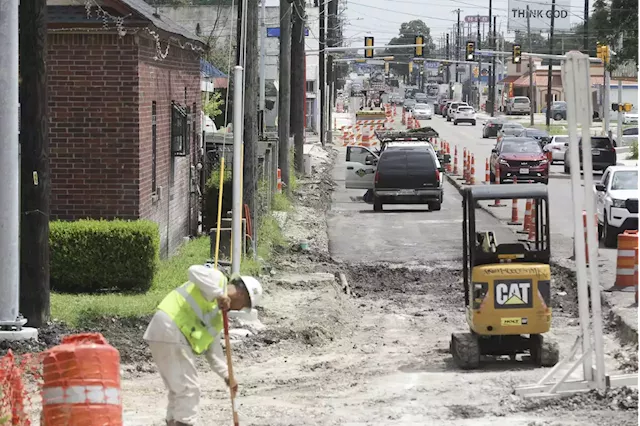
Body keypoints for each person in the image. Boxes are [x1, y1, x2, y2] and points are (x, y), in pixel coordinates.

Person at [144, 265, 263, 426]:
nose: (240, 309)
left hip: (167, 334)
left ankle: (173, 422)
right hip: (171, 327)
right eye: (244, 305)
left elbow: (213, 353)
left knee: (178, 389)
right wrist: (218, 294)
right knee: (189, 389)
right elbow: (193, 271)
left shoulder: (220, 318)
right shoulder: (217, 280)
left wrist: (228, 376)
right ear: (241, 295)